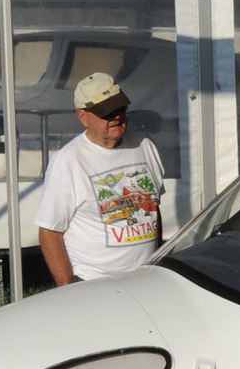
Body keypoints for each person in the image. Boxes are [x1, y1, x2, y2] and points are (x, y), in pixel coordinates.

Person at [36, 71, 165, 285]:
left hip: (145, 279)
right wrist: (68, 288)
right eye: (106, 112)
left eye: (120, 107)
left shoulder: (145, 146)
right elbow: (50, 230)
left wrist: (156, 262)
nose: (116, 116)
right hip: (93, 283)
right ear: (82, 116)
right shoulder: (69, 160)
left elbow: (153, 209)